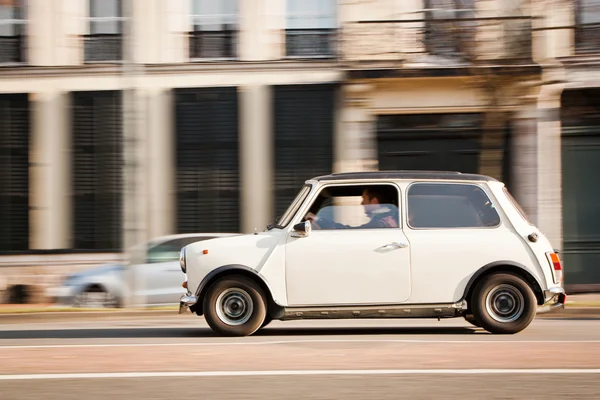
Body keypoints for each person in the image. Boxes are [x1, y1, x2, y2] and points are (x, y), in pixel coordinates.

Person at [305, 187, 399, 229]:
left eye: (364, 199)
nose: (361, 203)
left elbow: (347, 232)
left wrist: (319, 220)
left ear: (374, 202)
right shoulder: (384, 219)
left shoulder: (381, 223)